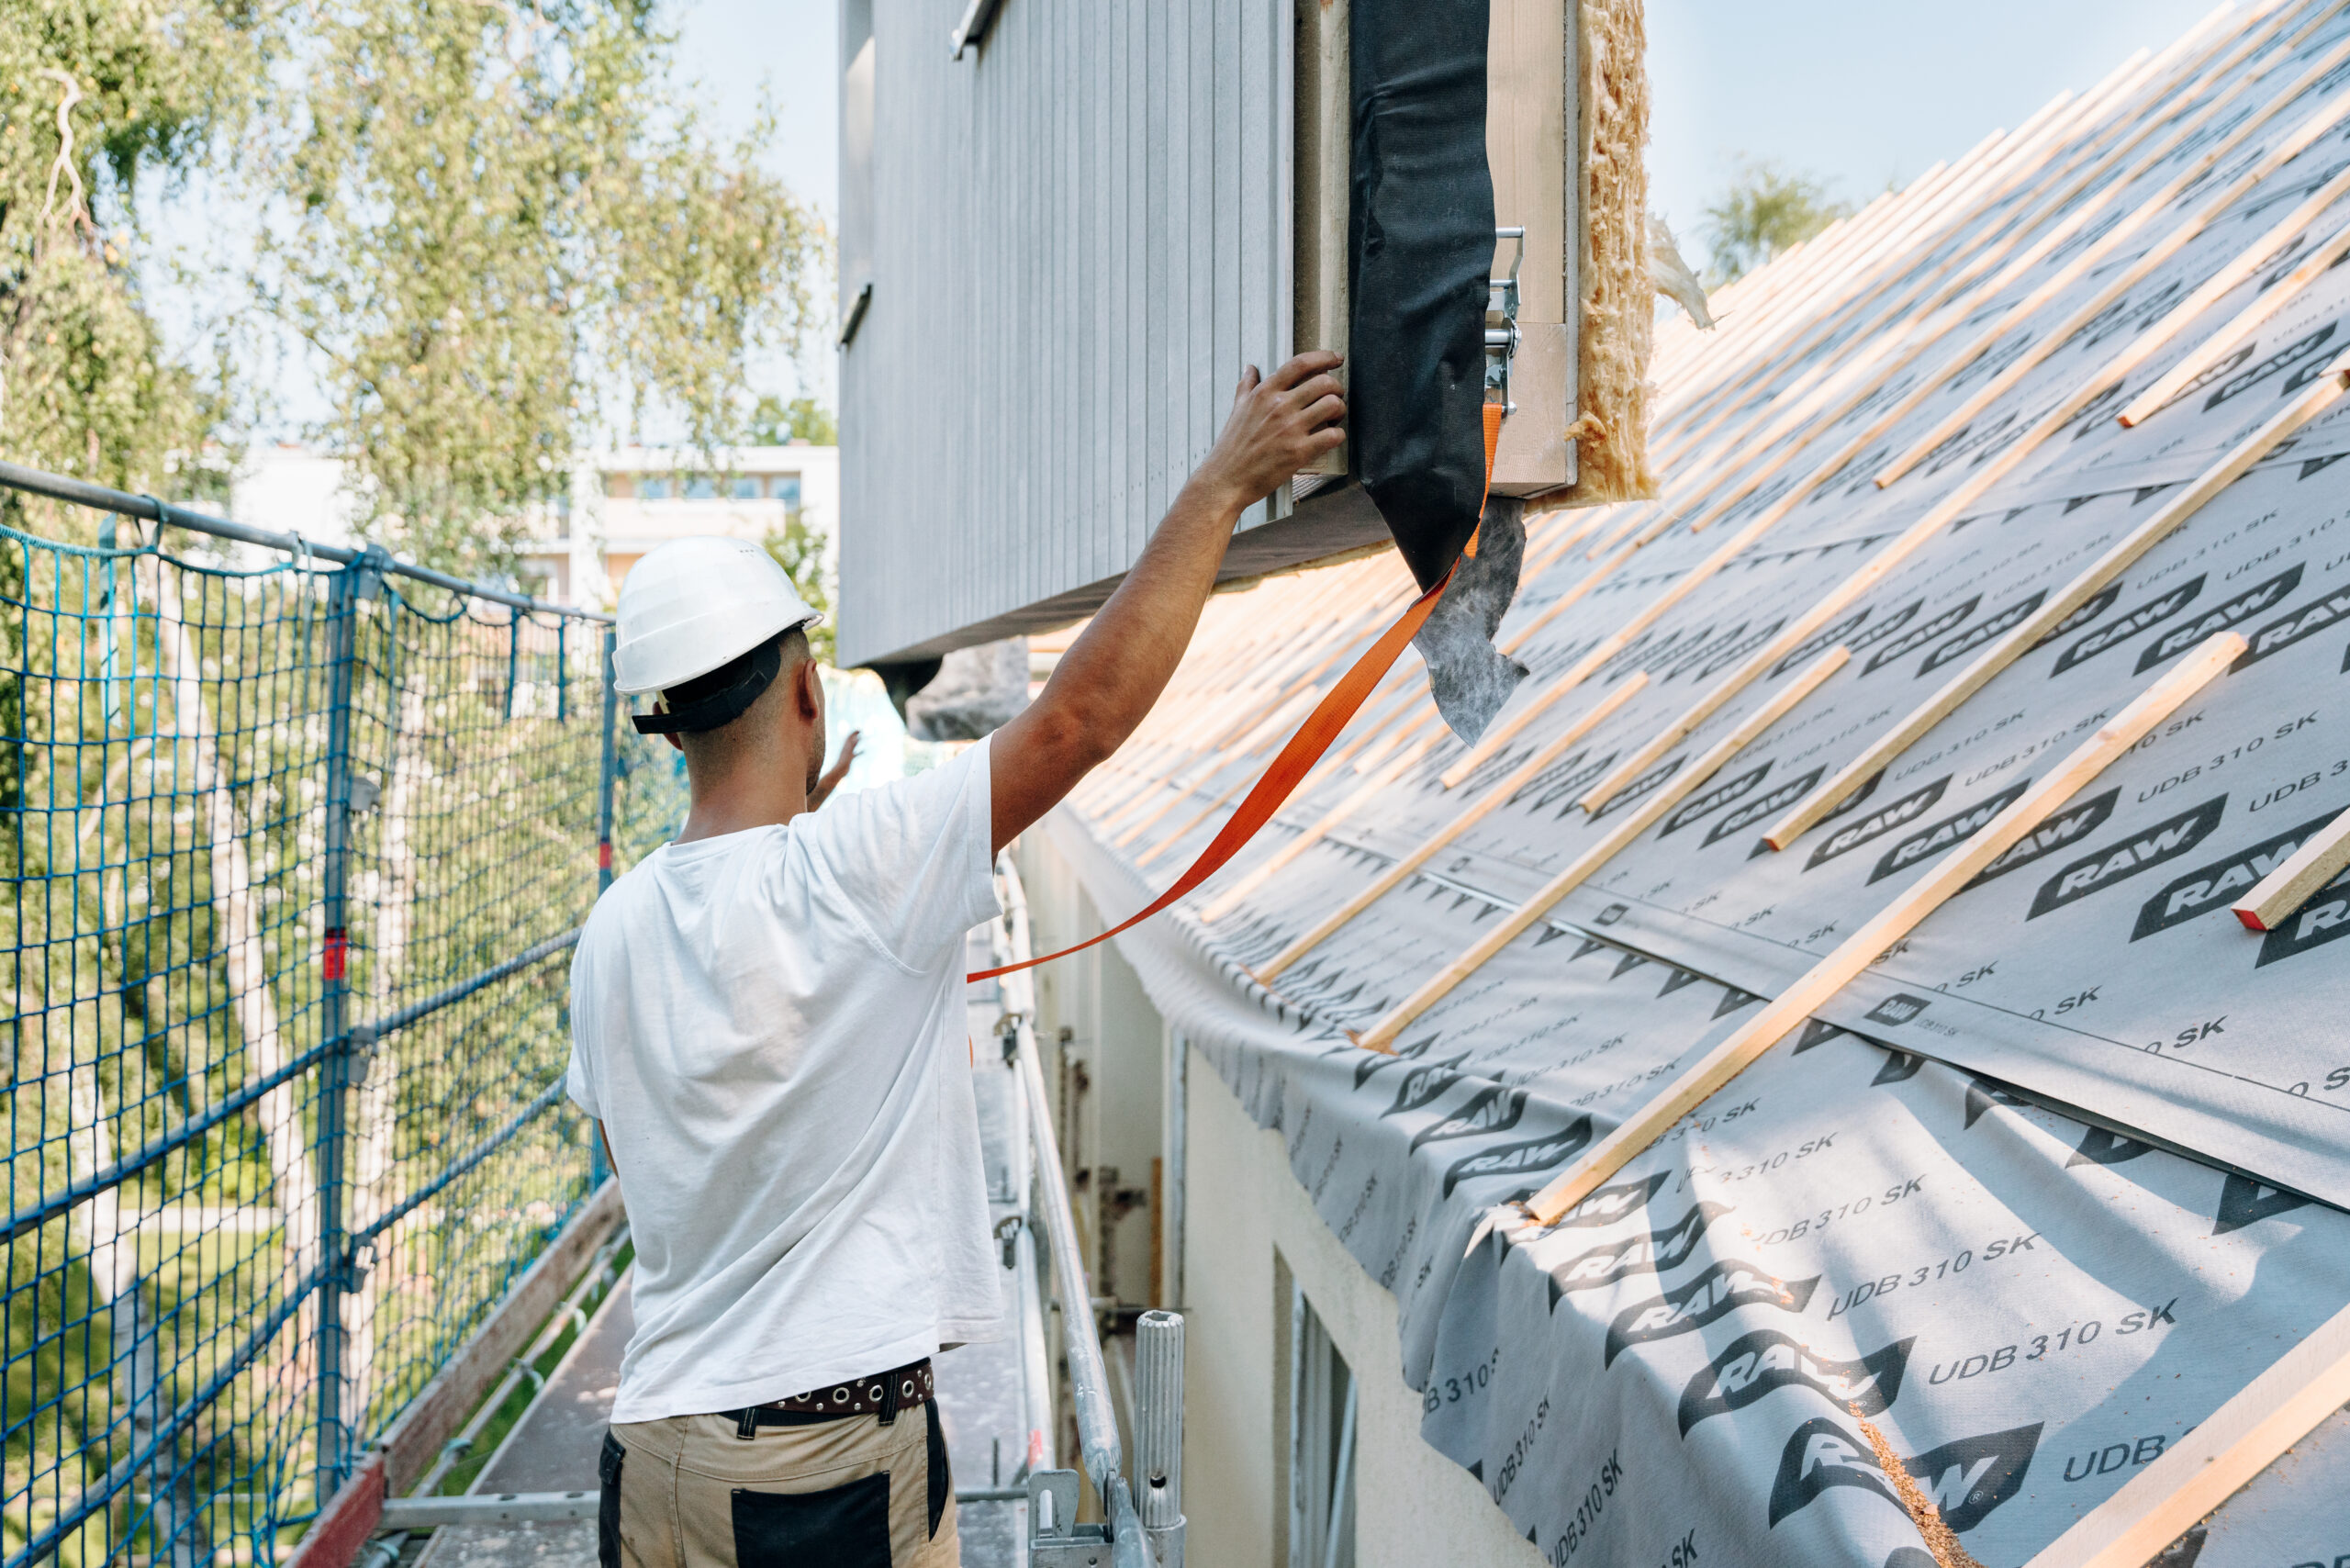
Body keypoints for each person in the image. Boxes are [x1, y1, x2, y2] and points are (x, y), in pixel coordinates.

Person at [570, 352, 1345, 1568]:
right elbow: (1078, 720)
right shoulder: (864, 864)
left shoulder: (614, 926)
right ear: (809, 692)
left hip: (655, 1460)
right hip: (820, 1476)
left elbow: (637, 1153)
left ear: (666, 725)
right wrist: (1223, 482)